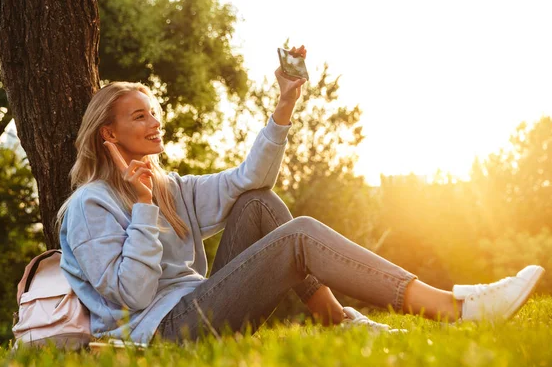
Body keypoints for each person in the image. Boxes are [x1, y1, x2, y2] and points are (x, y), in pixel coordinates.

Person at [57, 46, 545, 344]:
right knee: (300, 235)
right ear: (108, 134)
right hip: (161, 332)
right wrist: (142, 209)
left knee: (258, 203)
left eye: (153, 111)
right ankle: (454, 308)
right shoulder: (89, 206)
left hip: (196, 305)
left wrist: (284, 104)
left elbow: (250, 178)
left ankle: (335, 319)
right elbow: (129, 298)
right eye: (138, 115)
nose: (154, 121)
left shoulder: (169, 187)